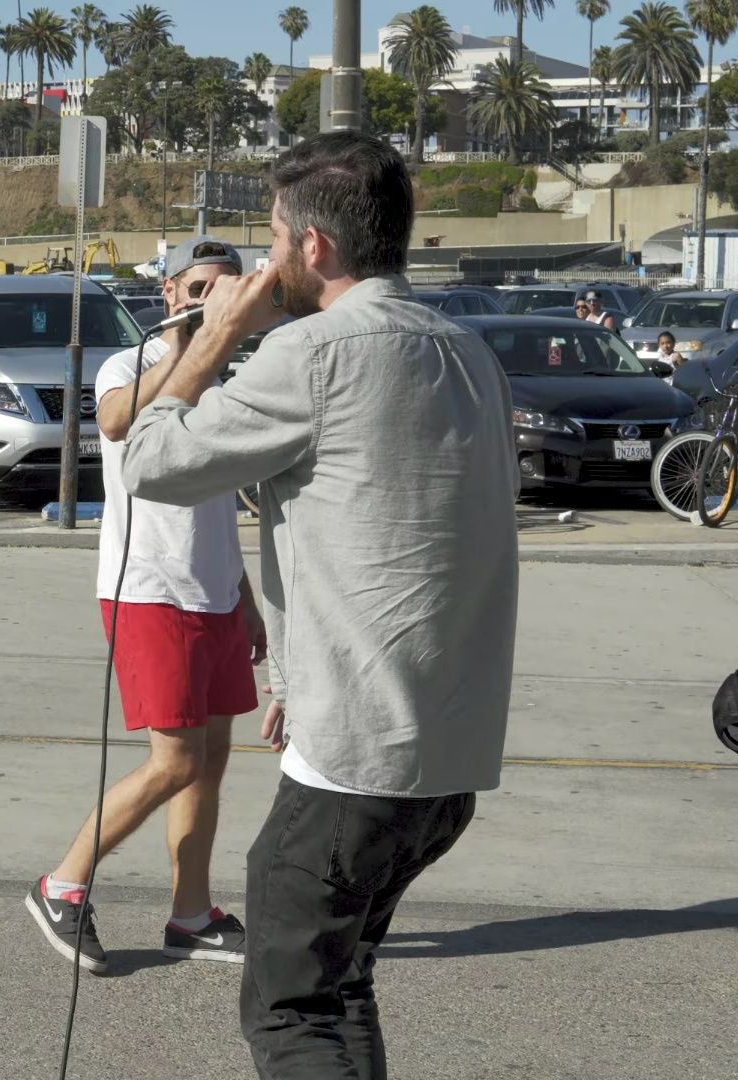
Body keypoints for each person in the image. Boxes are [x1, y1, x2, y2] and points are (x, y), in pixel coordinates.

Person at [119, 132, 519, 1078]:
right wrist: (295, 673)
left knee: (294, 1011)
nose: (263, 262)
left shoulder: (314, 353)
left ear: (315, 250)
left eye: (272, 240)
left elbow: (147, 461)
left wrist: (212, 330)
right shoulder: (468, 352)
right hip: (447, 753)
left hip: (359, 762)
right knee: (341, 985)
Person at [23, 237, 264, 975]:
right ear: (168, 293)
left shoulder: (235, 379)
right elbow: (119, 421)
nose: (212, 298)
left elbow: (222, 504)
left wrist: (247, 596)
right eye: (198, 287)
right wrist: (190, 347)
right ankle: (61, 885)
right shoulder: (131, 362)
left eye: (226, 287)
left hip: (215, 590)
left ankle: (191, 913)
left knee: (212, 762)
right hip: (150, 591)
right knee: (173, 762)